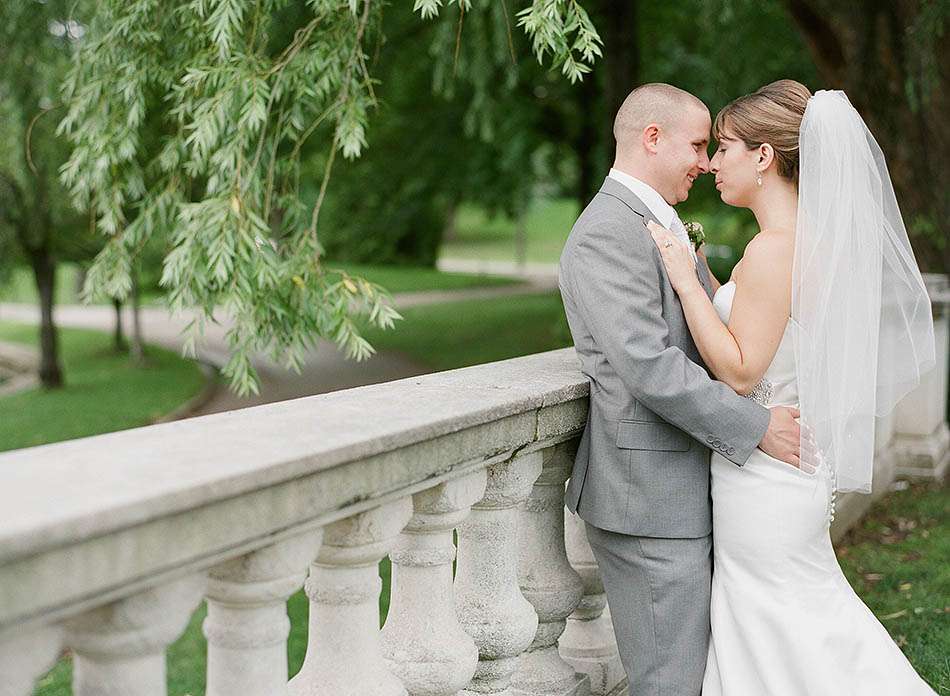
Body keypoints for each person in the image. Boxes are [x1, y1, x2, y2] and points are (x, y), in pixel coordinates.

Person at [649, 79, 937, 695]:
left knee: (784, 625)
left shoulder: (774, 250)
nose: (712, 162)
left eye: (724, 147)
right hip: (784, 465)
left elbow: (742, 369)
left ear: (763, 156)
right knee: (795, 620)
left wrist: (686, 280)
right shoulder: (807, 243)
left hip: (764, 476)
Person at [558, 82, 807, 696]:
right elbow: (649, 367)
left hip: (685, 490)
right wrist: (756, 426)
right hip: (649, 500)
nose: (706, 161)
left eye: (713, 147)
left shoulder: (656, 221)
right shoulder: (605, 233)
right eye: (698, 145)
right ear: (651, 138)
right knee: (670, 682)